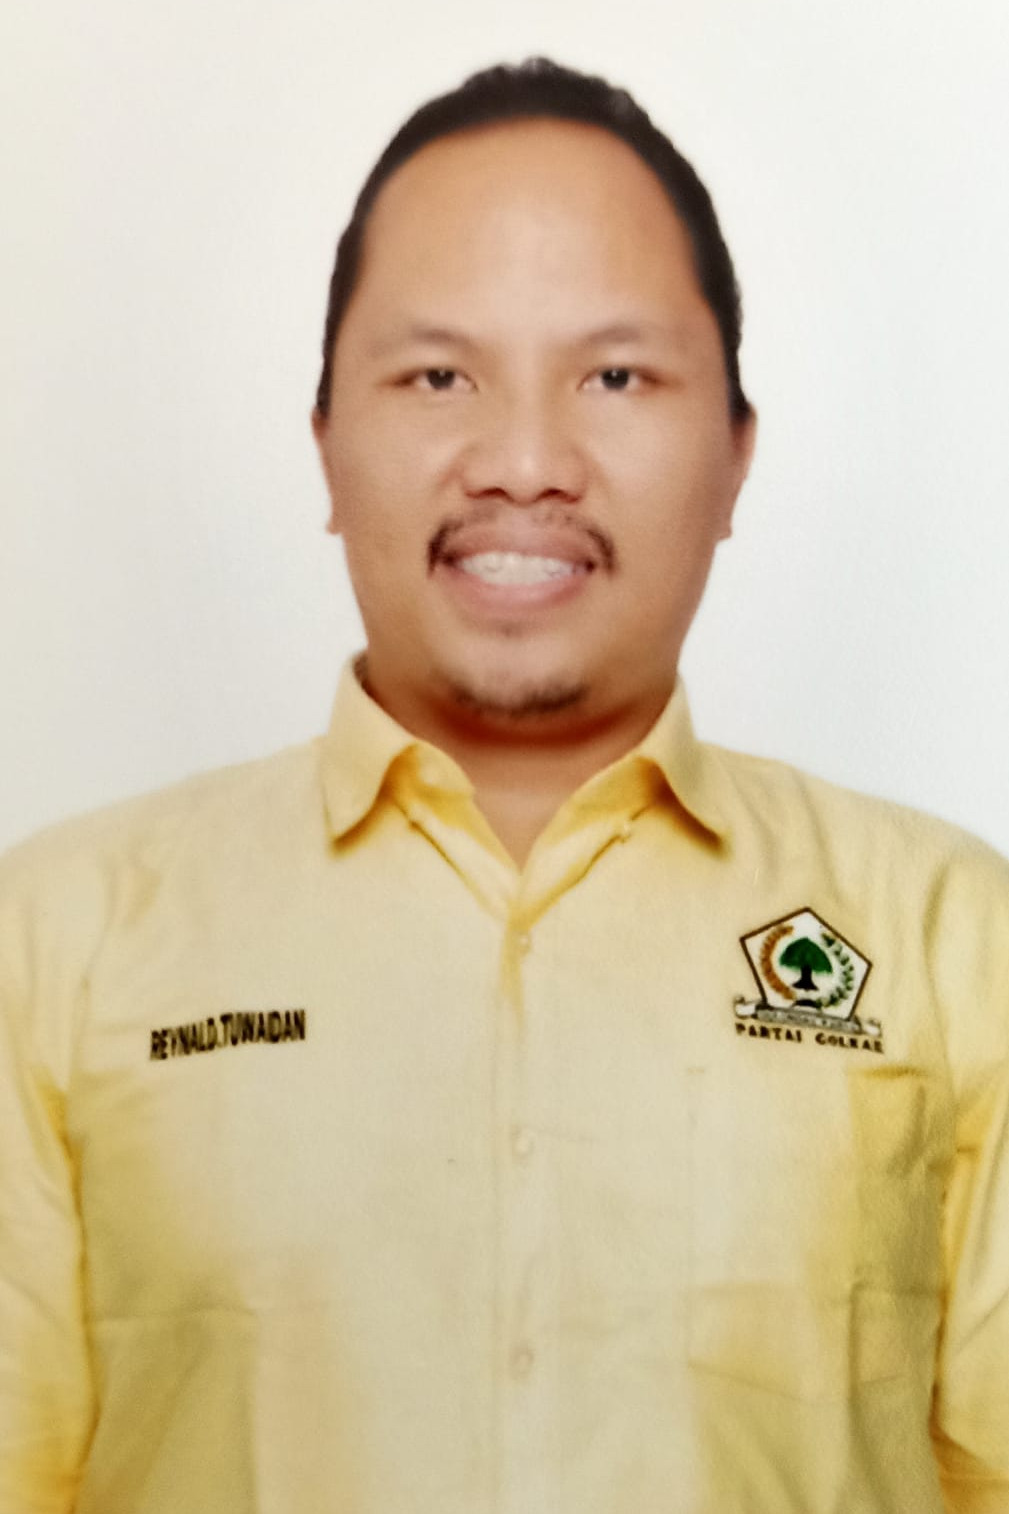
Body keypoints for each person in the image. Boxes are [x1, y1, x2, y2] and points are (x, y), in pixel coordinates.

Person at [1, 56, 1006, 1514]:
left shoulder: (951, 938)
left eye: (614, 376)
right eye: (438, 377)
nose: (525, 463)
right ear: (326, 443)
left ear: (735, 455)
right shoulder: (54, 942)